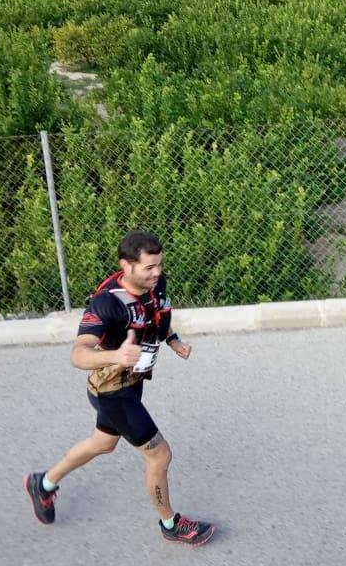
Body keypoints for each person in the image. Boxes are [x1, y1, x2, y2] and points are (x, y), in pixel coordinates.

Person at [24, 230, 215, 546]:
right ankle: (170, 524)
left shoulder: (156, 283)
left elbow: (158, 314)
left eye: (159, 266)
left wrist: (172, 340)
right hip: (112, 392)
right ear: (126, 266)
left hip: (132, 384)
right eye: (149, 268)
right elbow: (78, 353)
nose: (157, 273)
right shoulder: (106, 303)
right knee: (160, 456)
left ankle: (42, 484)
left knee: (102, 444)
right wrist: (116, 355)